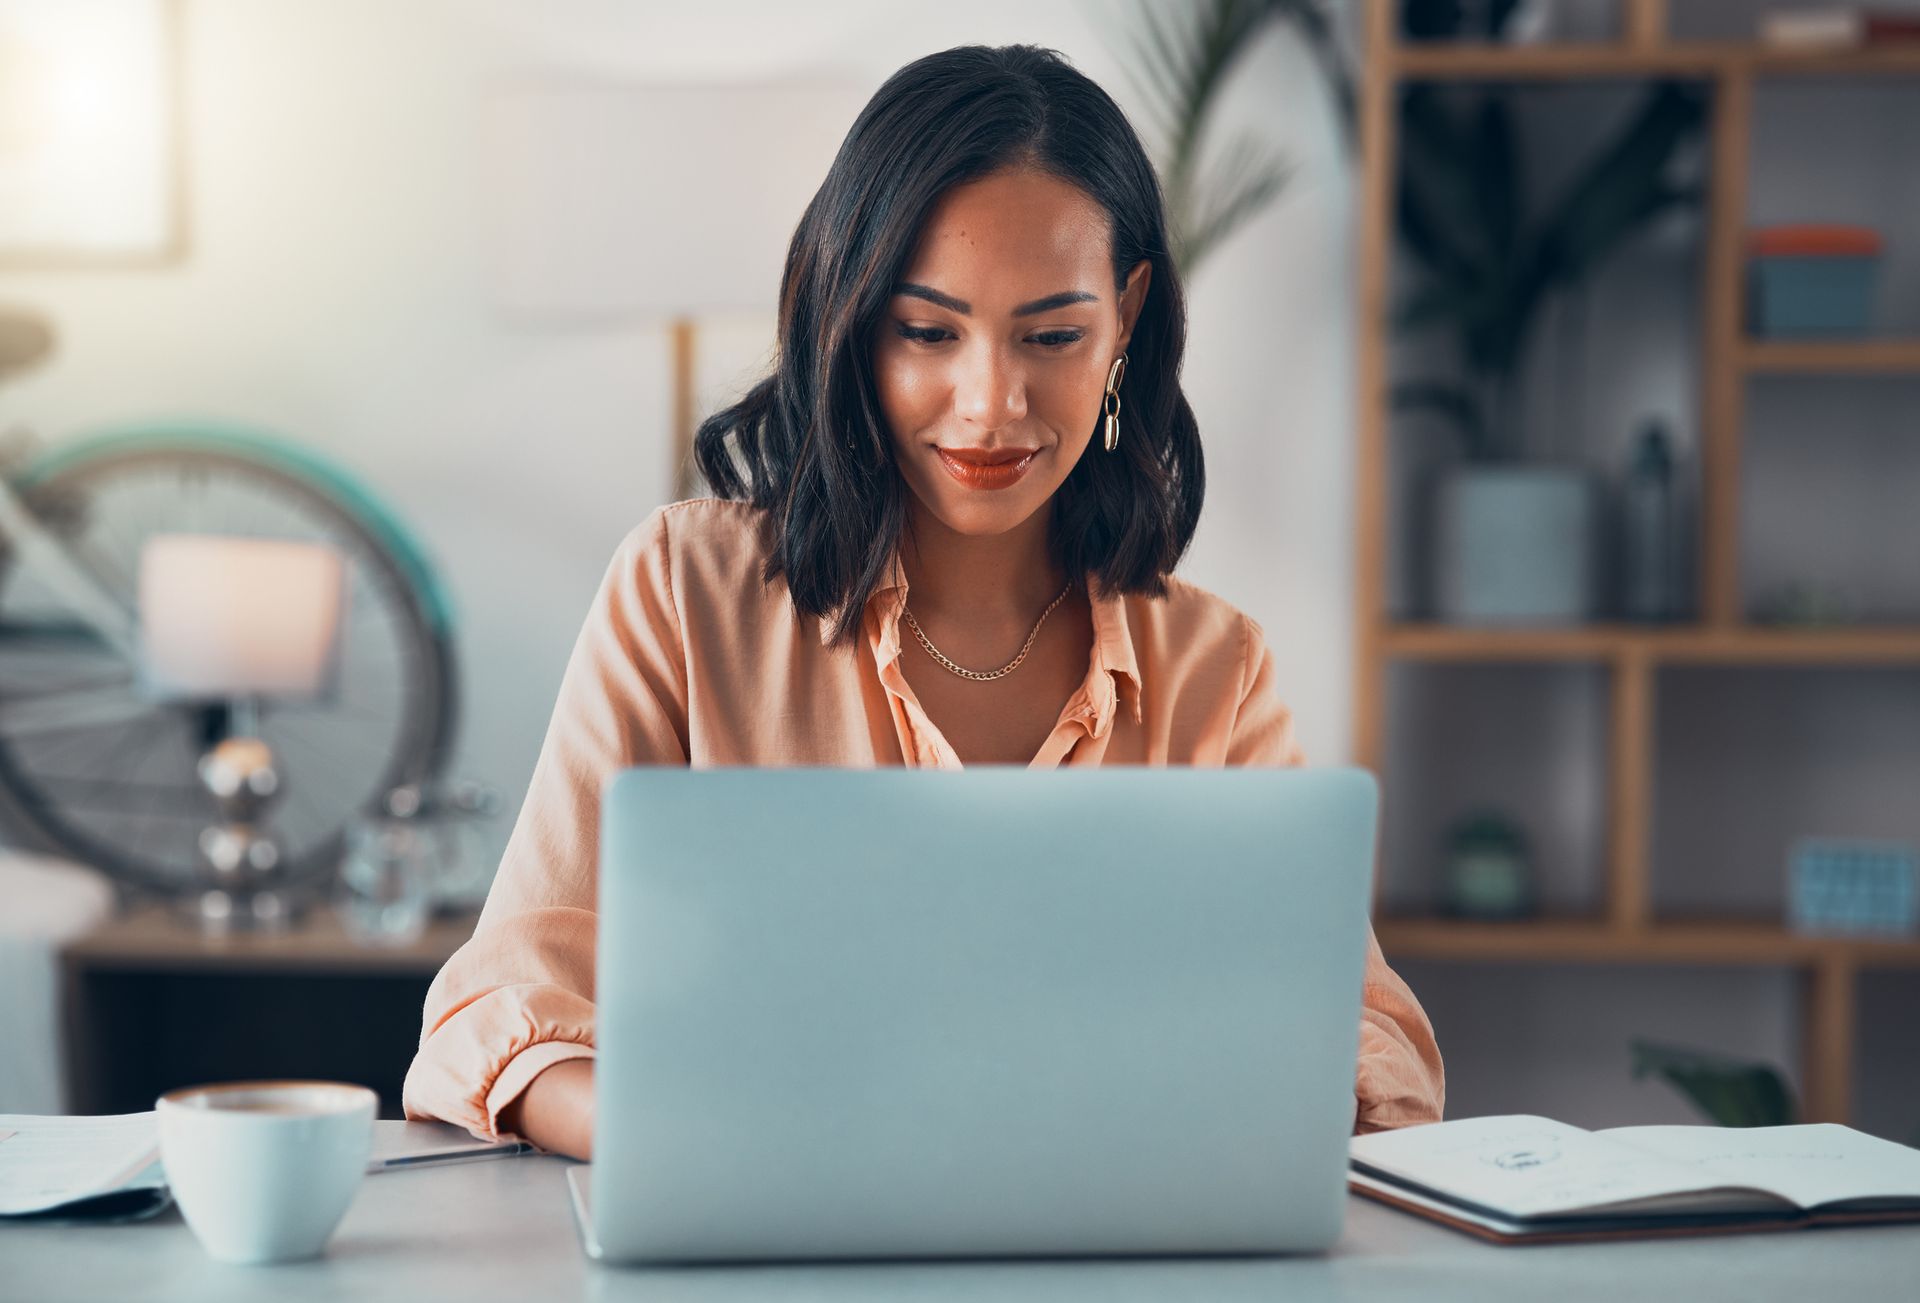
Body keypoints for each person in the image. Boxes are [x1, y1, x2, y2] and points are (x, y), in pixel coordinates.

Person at [403, 43, 1443, 1161]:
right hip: (758, 1233)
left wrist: (1217, 1107)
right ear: (851, 323)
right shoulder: (682, 594)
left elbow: (1366, 1038)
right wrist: (695, 1141)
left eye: (1052, 336)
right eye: (927, 331)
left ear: (1127, 319)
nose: (991, 403)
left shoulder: (1211, 668)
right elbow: (500, 1009)